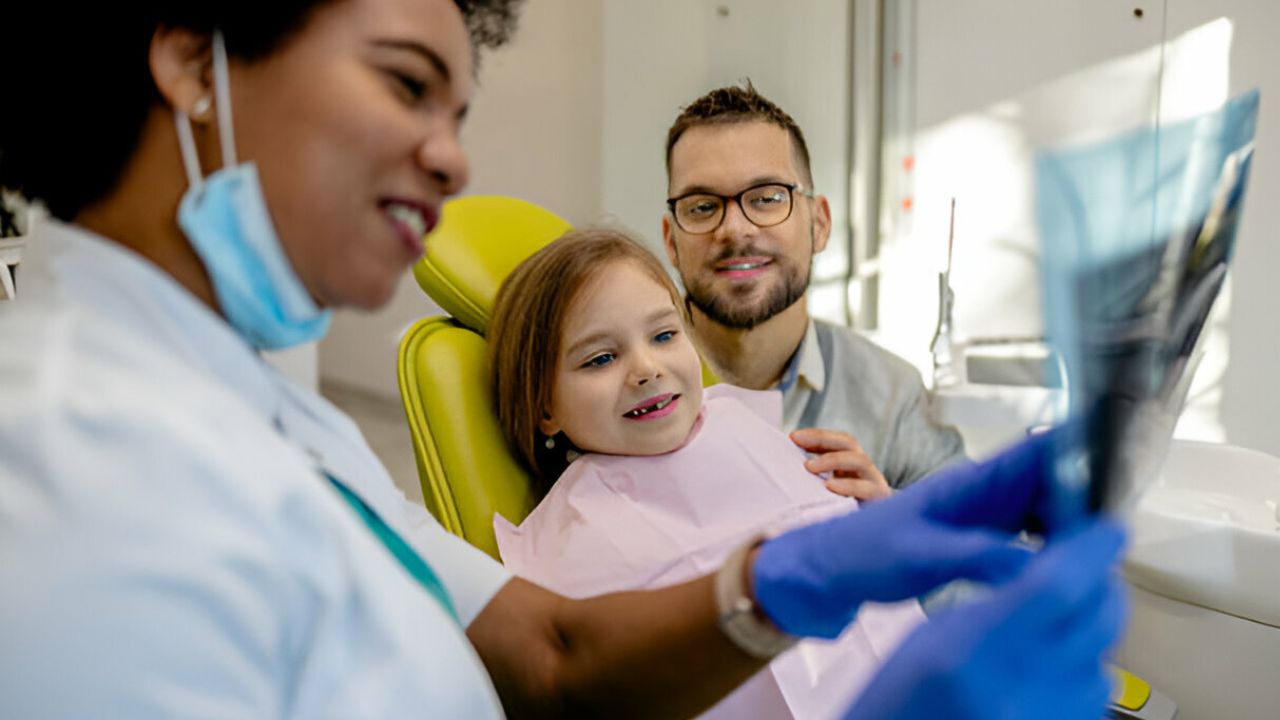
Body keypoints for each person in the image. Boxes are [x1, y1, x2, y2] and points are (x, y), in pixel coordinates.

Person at [0, 2, 1126, 718]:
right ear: (195, 56)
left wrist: (787, 582)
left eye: (458, 108)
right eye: (404, 83)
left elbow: (544, 653)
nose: (451, 158)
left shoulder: (271, 421)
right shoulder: (68, 465)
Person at [488, 228, 925, 718]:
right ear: (545, 408)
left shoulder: (743, 427)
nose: (646, 369)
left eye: (664, 335)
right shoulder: (577, 529)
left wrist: (882, 517)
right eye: (601, 358)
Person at [662, 83, 967, 495]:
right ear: (670, 241)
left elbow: (979, 540)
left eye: (767, 198)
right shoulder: (626, 389)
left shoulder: (893, 396)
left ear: (819, 224)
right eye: (702, 206)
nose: (734, 229)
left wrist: (891, 521)